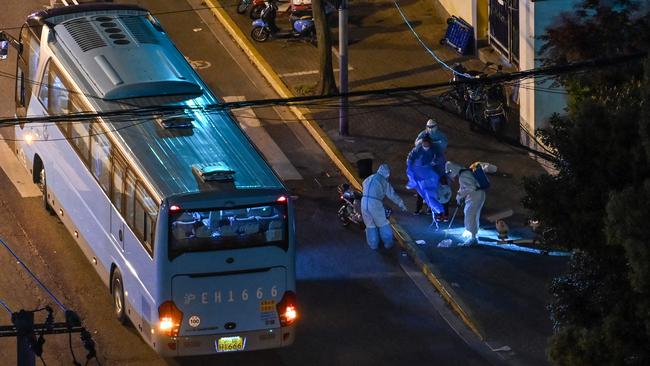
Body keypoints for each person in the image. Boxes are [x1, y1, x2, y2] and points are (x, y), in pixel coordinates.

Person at [361, 164, 407, 250]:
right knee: (383, 223)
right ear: (387, 174)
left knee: (370, 224)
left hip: (364, 202)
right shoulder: (383, 181)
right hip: (375, 203)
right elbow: (392, 195)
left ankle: (373, 244)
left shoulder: (369, 178)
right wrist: (401, 204)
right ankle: (388, 243)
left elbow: (364, 185)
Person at [414, 118, 449, 219]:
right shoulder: (423, 135)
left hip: (437, 170)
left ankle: (434, 209)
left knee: (436, 189)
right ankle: (420, 207)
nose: (430, 129)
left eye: (432, 127)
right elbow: (417, 143)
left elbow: (443, 145)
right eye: (428, 127)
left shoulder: (440, 137)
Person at [445, 161, 486, 245]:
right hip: (476, 195)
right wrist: (459, 197)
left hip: (475, 196)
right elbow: (464, 187)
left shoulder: (463, 175)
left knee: (470, 214)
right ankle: (470, 232)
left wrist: (460, 196)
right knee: (471, 213)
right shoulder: (464, 172)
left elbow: (470, 187)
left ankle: (473, 238)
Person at [406, 136, 444, 217]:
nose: (425, 144)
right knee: (423, 193)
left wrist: (435, 162)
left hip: (428, 173)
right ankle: (420, 208)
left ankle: (433, 209)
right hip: (421, 175)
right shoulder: (418, 149)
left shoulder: (433, 149)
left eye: (427, 143)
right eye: (424, 143)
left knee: (430, 193)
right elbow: (410, 157)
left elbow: (438, 157)